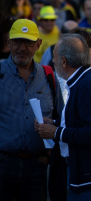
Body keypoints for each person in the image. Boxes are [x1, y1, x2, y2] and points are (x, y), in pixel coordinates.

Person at [35, 34, 91, 200]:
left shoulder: (87, 85)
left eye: (54, 59)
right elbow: (83, 121)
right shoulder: (86, 81)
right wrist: (55, 123)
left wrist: (56, 132)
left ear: (63, 61)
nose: (53, 63)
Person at [0, 19, 63, 201]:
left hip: (37, 166)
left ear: (38, 44)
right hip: (3, 165)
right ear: (9, 43)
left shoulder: (49, 75)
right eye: (18, 41)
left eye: (28, 42)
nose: (22, 47)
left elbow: (61, 116)